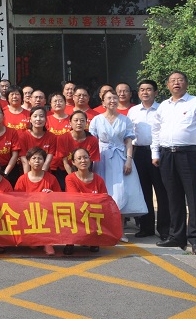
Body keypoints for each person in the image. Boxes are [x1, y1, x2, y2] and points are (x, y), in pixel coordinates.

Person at [151, 71, 196, 255]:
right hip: (167, 155)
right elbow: (156, 131)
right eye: (172, 81)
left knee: (194, 198)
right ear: (167, 85)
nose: (176, 83)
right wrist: (155, 153)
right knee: (173, 197)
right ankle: (176, 236)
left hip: (189, 154)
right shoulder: (163, 106)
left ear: (186, 83)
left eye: (180, 80)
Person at [90, 90, 146, 243]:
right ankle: (102, 229)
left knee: (120, 193)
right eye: (109, 98)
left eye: (114, 98)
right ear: (103, 102)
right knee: (104, 193)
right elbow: (92, 142)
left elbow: (128, 141)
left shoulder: (125, 120)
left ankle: (119, 230)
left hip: (120, 157)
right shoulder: (96, 120)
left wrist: (128, 160)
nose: (112, 100)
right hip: (102, 158)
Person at [128, 79, 170, 239]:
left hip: (158, 153)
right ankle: (146, 227)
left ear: (156, 92)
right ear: (138, 93)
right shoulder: (133, 111)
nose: (145, 92)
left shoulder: (162, 109)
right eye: (142, 89)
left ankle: (165, 229)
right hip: (139, 153)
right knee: (143, 191)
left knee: (162, 191)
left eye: (149, 89)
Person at [15, 147, 61, 255]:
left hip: (46, 212)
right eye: (34, 158)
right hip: (28, 212)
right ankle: (33, 238)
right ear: (28, 161)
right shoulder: (22, 179)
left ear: (44, 161)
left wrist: (52, 194)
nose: (37, 161)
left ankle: (47, 242)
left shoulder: (51, 178)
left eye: (40, 158)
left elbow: (60, 198)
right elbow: (16, 199)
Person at [64, 147, 107, 255]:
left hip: (93, 213)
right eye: (79, 158)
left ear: (90, 159)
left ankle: (93, 240)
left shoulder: (99, 179)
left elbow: (104, 199)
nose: (83, 161)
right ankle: (70, 242)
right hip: (77, 211)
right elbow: (75, 198)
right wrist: (93, 199)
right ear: (73, 162)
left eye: (85, 157)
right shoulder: (70, 178)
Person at [56, 110, 100, 176]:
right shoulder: (62, 138)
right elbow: (65, 163)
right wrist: (73, 178)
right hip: (64, 171)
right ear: (70, 123)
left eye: (82, 121)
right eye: (76, 120)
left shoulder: (92, 140)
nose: (79, 123)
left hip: (85, 171)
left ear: (86, 123)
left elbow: (89, 163)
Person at [21, 106, 57, 177]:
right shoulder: (23, 136)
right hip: (27, 173)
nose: (38, 119)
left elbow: (48, 161)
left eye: (41, 116)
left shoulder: (52, 137)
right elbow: (24, 161)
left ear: (46, 119)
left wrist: (40, 176)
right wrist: (28, 178)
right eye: (35, 116)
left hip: (45, 174)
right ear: (30, 119)